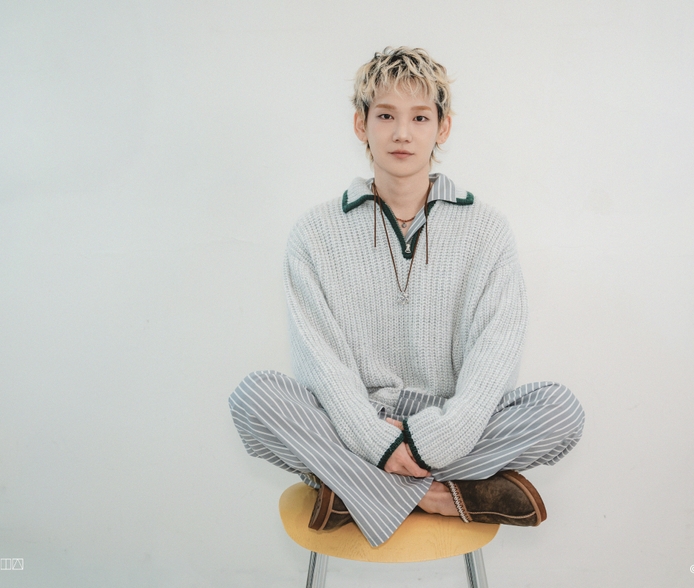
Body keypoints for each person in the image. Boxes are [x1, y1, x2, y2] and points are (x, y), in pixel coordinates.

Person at [228, 46, 585, 548]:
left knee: (559, 410)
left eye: (419, 117)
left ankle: (357, 492)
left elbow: (495, 353)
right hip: (355, 423)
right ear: (361, 124)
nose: (402, 133)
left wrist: (429, 440)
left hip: (454, 425)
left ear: (443, 127)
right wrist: (377, 441)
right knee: (255, 399)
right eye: (386, 116)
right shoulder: (314, 233)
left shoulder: (487, 230)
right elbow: (320, 361)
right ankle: (441, 497)